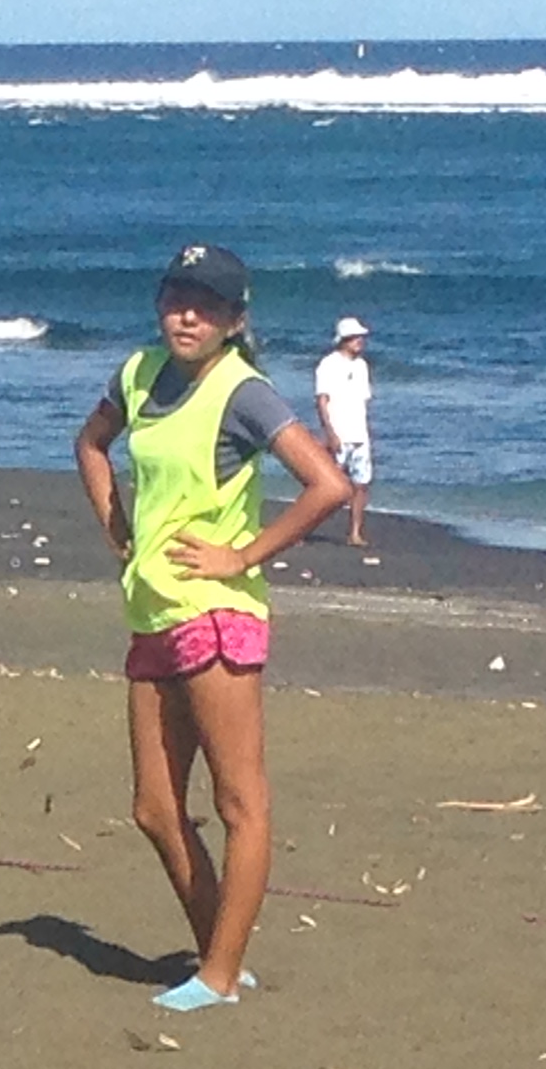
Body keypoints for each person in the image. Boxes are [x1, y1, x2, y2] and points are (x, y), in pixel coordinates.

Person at [74, 243, 350, 1011]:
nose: (186, 316)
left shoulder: (242, 392)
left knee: (240, 803)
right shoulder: (137, 374)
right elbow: (91, 444)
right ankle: (219, 952)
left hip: (217, 616)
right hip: (151, 611)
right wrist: (116, 523)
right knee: (155, 810)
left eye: (206, 306)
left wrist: (244, 555)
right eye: (176, 300)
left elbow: (327, 484)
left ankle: (220, 974)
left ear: (234, 320)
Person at [313, 316, 375, 549]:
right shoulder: (328, 364)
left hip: (360, 434)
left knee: (361, 484)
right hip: (339, 433)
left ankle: (355, 532)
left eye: (360, 337)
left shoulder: (361, 366)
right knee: (326, 483)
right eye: (355, 337)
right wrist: (330, 433)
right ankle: (301, 528)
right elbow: (322, 401)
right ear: (344, 339)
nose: (360, 341)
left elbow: (363, 401)